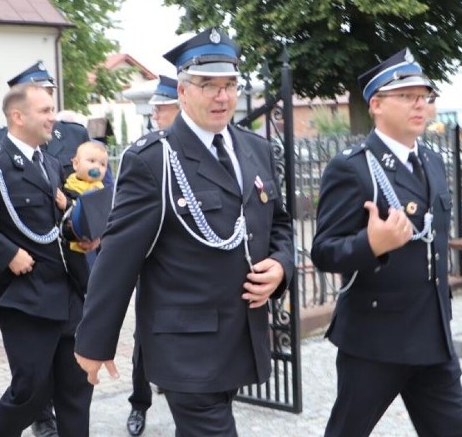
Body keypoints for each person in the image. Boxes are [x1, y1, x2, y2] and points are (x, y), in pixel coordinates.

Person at [74, 27, 295, 436]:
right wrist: (94, 343)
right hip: (186, 349)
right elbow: (118, 258)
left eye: (229, 85)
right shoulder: (154, 161)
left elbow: (279, 223)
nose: (222, 96)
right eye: (208, 85)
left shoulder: (255, 150)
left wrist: (281, 266)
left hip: (242, 337)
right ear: (182, 91)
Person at [310, 49, 462, 437]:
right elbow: (324, 250)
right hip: (375, 339)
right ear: (376, 105)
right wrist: (371, 244)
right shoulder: (352, 168)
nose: (420, 104)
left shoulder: (433, 161)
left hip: (432, 336)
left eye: (425, 96)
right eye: (406, 95)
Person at [0, 83, 93, 437]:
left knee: (76, 389)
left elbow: (57, 227)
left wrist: (80, 227)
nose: (52, 117)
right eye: (45, 110)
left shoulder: (51, 164)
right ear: (18, 116)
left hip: (69, 293)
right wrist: (6, 253)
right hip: (28, 299)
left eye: (53, 109)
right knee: (30, 390)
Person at [125, 74, 180, 436]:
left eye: (162, 108)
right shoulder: (145, 153)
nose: (156, 115)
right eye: (156, 109)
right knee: (144, 341)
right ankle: (139, 404)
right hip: (152, 266)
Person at [63, 141, 108, 253]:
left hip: (86, 244)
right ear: (76, 164)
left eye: (103, 164)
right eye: (92, 161)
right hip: (66, 241)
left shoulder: (98, 190)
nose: (97, 166)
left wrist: (67, 204)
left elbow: (90, 214)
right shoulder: (69, 181)